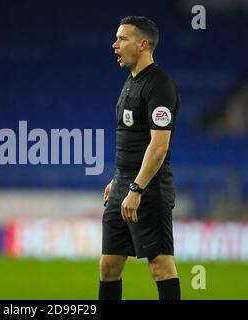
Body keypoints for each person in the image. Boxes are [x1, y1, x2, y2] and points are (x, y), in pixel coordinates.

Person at [99, 16, 181, 300]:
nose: (115, 45)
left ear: (143, 44)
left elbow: (159, 147)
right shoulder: (130, 82)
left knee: (160, 266)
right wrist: (117, 179)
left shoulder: (160, 85)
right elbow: (131, 140)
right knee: (109, 266)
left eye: (122, 39)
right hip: (123, 183)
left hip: (148, 188)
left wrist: (136, 188)